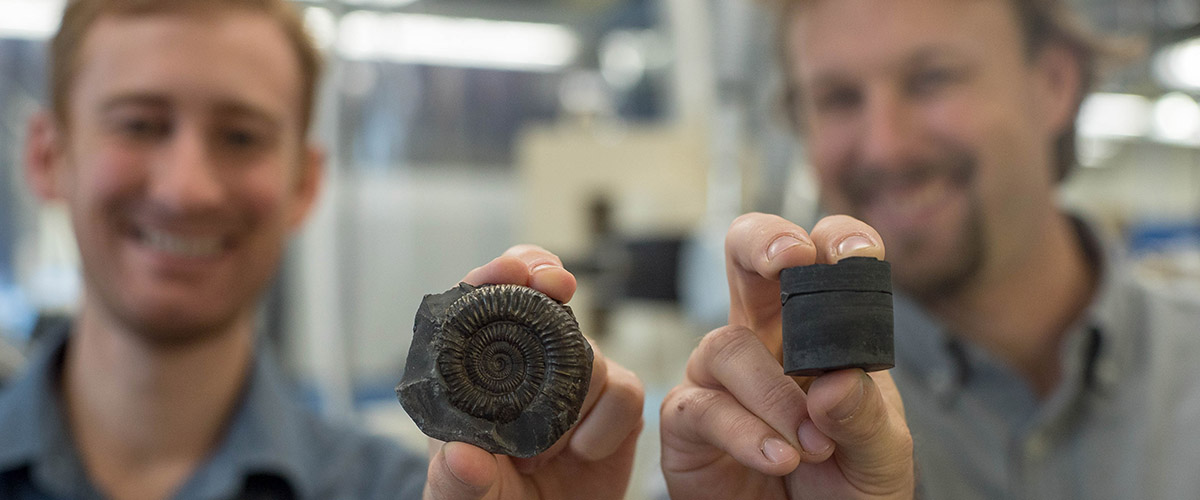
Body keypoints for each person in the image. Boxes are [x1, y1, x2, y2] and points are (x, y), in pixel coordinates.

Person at [0, 1, 645, 499]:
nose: (186, 189)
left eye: (240, 135)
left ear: (304, 182)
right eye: (139, 124)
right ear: (47, 156)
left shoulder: (415, 493)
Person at [661, 0, 1200, 498]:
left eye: (932, 79)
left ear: (1053, 84)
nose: (885, 146)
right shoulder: (770, 430)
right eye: (838, 98)